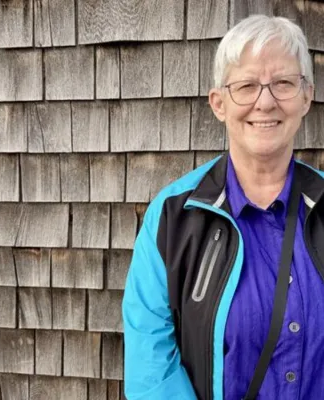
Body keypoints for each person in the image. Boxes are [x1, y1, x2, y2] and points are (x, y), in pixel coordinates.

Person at [122, 14, 324, 400]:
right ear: (219, 104)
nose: (265, 102)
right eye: (246, 86)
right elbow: (151, 367)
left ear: (306, 96)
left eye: (283, 83)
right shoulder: (172, 218)